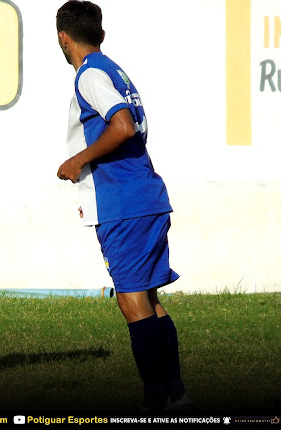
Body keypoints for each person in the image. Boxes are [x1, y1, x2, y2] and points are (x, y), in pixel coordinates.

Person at [55, 1, 192, 410]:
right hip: (144, 195)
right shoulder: (114, 69)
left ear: (63, 38)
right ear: (100, 33)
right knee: (149, 299)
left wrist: (78, 160)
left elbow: (122, 125)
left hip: (123, 202)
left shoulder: (90, 74)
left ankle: (155, 401)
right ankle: (177, 395)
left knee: (132, 303)